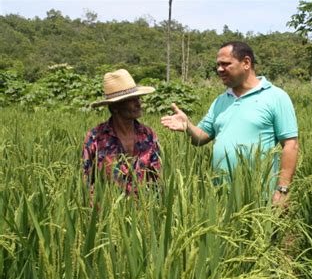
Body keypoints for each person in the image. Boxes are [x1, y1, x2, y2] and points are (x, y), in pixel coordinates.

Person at [160, 41, 298, 204]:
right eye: (217, 65)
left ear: (246, 63)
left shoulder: (275, 97)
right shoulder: (220, 101)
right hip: (221, 196)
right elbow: (200, 138)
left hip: (261, 197)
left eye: (225, 64)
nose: (219, 69)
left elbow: (291, 145)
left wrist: (282, 190)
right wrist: (188, 126)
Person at [82, 69, 161, 194]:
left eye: (137, 98)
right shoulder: (96, 137)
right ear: (115, 107)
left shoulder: (148, 135)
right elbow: (86, 181)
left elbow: (157, 180)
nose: (138, 103)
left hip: (144, 210)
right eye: (131, 100)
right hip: (108, 210)